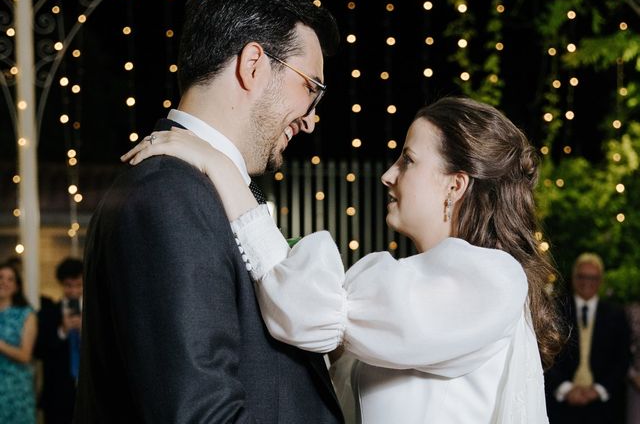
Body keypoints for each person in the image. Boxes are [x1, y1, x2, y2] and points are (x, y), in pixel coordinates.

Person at [124, 96, 563, 423]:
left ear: (456, 185)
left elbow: (306, 311)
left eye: (408, 160)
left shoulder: (489, 276)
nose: (388, 174)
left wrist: (220, 168)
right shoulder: (418, 285)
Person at [75, 0, 341, 423]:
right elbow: (201, 415)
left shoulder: (200, 186)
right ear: (254, 64)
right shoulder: (169, 194)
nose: (312, 119)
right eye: (310, 89)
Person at [545, 253, 630, 423]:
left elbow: (623, 358)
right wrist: (566, 388)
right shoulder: (556, 310)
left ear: (601, 281)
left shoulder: (616, 314)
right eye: (582, 276)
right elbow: (546, 353)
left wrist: (598, 390)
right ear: (574, 278)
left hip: (604, 408)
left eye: (593, 277)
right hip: (560, 405)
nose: (587, 282)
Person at [35, 257, 83, 424]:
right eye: (69, 285)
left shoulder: (94, 315)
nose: (74, 291)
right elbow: (38, 350)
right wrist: (62, 331)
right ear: (62, 284)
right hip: (57, 392)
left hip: (87, 392)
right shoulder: (48, 313)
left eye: (79, 285)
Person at [0, 258, 37, 424]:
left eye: (10, 279)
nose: (4, 282)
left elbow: (25, 355)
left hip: (15, 390)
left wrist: (1, 345)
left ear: (16, 286)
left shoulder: (26, 314)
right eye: (0, 277)